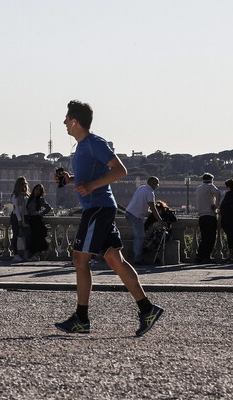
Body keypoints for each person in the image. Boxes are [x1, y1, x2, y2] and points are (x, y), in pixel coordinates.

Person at [54, 100, 163, 337]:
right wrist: (70, 180)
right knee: (115, 260)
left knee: (80, 259)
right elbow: (90, 177)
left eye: (66, 118)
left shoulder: (94, 143)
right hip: (99, 207)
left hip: (98, 208)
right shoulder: (82, 147)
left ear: (75, 121)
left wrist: (91, 185)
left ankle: (82, 318)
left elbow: (120, 170)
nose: (63, 122)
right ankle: (147, 309)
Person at [125, 177, 166, 264]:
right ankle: (137, 259)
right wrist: (160, 220)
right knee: (140, 237)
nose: (157, 185)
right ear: (152, 182)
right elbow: (153, 207)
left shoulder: (141, 188)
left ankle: (137, 257)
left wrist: (148, 214)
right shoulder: (150, 192)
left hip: (130, 212)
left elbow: (142, 204)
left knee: (138, 236)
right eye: (156, 183)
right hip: (135, 215)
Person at [194, 173, 221, 264]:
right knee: (211, 238)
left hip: (201, 216)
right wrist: (216, 206)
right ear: (211, 180)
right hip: (210, 215)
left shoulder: (198, 188)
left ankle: (199, 256)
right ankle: (206, 256)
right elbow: (218, 193)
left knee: (204, 237)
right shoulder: (210, 186)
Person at [25, 183, 52, 261]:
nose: (37, 191)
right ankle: (36, 255)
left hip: (36, 220)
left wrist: (40, 213)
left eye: (39, 190)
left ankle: (37, 254)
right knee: (32, 237)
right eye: (36, 189)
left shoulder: (40, 199)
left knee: (36, 238)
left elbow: (48, 208)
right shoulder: (30, 198)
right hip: (30, 219)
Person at [10, 177, 30, 262]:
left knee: (27, 236)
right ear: (18, 185)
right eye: (22, 184)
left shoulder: (27, 195)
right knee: (16, 235)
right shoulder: (15, 195)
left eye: (25, 184)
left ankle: (27, 254)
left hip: (25, 216)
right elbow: (16, 209)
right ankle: (16, 254)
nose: (24, 186)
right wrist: (19, 220)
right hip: (16, 217)